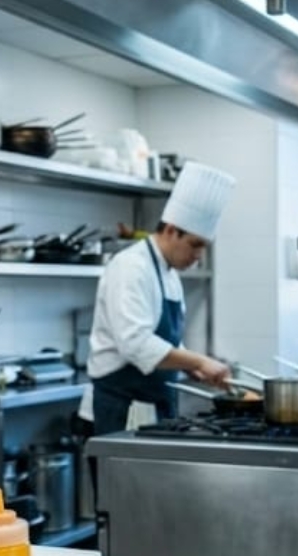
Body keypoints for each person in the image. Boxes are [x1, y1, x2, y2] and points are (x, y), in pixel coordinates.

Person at [85, 160, 236, 435]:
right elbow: (136, 342)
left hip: (156, 403)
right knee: (122, 479)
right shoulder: (131, 266)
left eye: (204, 247)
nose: (198, 256)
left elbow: (167, 341)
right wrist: (199, 361)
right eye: (195, 244)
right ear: (170, 230)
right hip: (122, 408)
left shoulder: (169, 273)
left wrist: (193, 371)